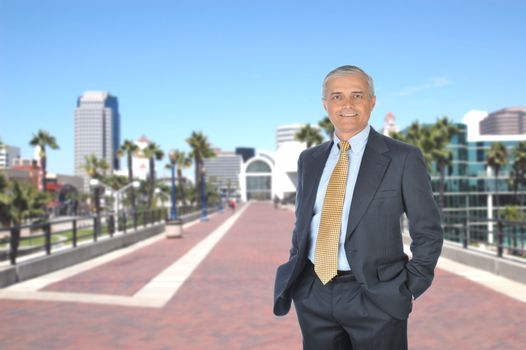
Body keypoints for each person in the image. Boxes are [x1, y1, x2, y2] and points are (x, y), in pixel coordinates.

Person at [273, 65, 443, 350]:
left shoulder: (403, 158)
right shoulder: (309, 160)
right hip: (313, 293)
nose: (347, 105)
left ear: (372, 101)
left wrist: (408, 290)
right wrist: (301, 280)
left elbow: (428, 232)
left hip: (377, 298)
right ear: (326, 104)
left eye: (357, 95)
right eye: (337, 97)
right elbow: (303, 225)